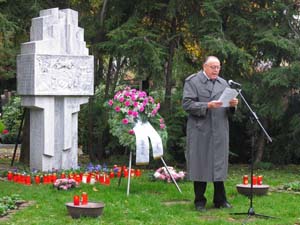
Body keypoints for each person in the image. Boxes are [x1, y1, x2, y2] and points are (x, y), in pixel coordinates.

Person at [182, 56, 239, 212]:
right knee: (200, 163)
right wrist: (207, 105)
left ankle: (220, 200)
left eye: (218, 67)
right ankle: (199, 201)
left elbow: (229, 110)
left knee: (219, 165)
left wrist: (233, 105)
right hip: (200, 129)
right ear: (204, 67)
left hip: (220, 130)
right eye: (213, 67)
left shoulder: (223, 83)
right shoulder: (193, 81)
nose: (216, 70)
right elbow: (187, 104)